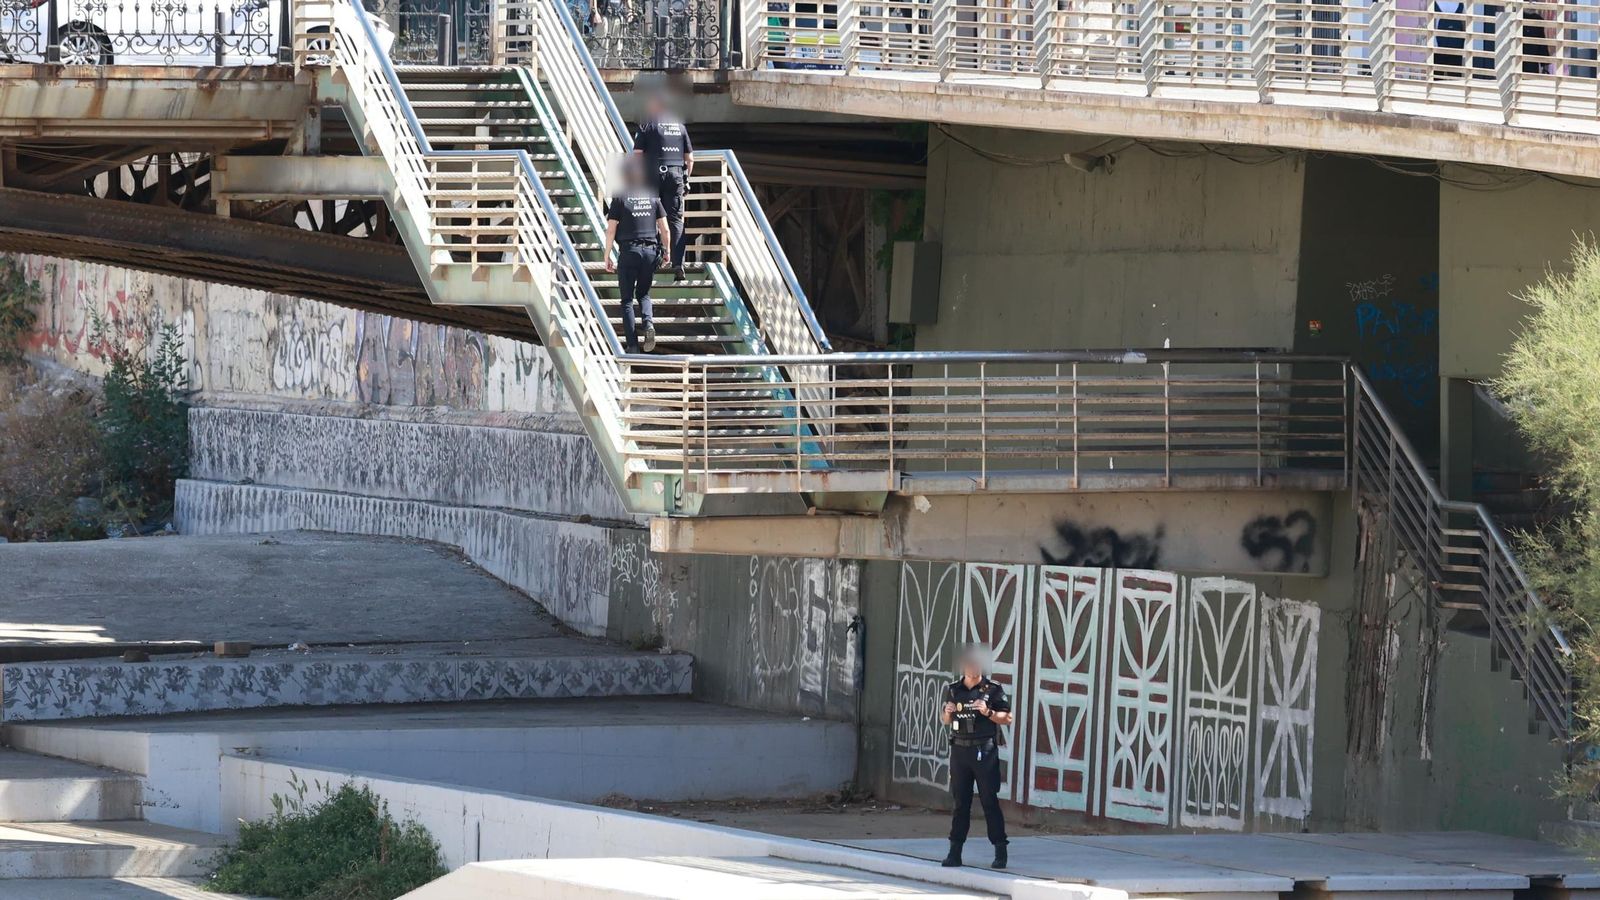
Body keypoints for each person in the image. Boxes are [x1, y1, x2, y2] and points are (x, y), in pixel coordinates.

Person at [939, 644, 1011, 870]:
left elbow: (1007, 718)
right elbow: (945, 721)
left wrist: (988, 712)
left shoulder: (993, 689)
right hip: (960, 751)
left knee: (989, 800)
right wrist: (947, 713)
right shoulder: (953, 689)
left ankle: (1000, 850)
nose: (973, 668)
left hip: (984, 750)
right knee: (961, 802)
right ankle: (954, 852)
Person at [603, 157, 670, 353]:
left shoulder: (619, 197)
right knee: (644, 294)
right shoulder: (653, 197)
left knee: (626, 300)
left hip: (629, 252)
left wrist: (607, 255)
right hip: (650, 252)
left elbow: (611, 230)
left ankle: (632, 346)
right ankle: (648, 324)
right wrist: (666, 252)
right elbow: (665, 229)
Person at [632, 90, 694, 281]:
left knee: (651, 217)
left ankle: (654, 259)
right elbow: (690, 159)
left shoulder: (647, 125)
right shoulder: (680, 127)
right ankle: (678, 264)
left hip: (652, 174)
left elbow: (637, 156)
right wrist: (686, 180)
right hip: (675, 175)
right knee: (675, 220)